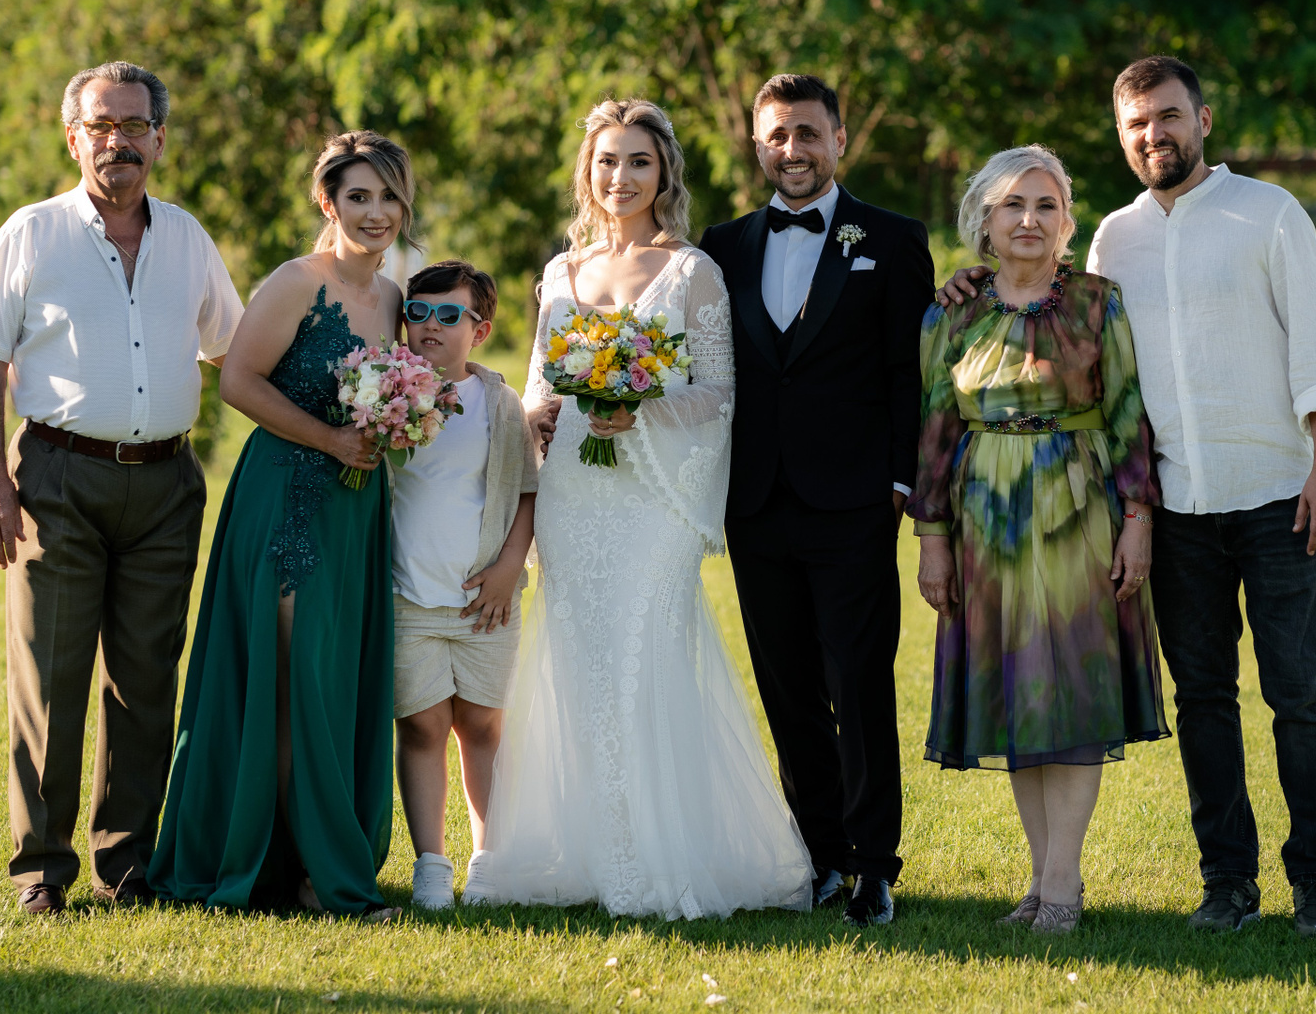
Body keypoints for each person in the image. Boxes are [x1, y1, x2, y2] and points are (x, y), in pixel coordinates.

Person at [939, 56, 1316, 940]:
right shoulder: (1114, 240)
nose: (1153, 134)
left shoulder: (1270, 214)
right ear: (1122, 137)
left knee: (1298, 694)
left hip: (1277, 493)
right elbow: (1063, 324)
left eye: (1168, 116)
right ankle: (1227, 883)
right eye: (1136, 124)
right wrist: (969, 280)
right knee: (1203, 697)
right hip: (1175, 506)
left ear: (1202, 119)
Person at [481, 98, 813, 920]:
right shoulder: (561, 271)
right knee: (581, 666)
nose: (621, 177)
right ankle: (592, 850)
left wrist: (644, 405)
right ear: (587, 172)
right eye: (607, 161)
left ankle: (660, 853)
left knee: (643, 654)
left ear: (663, 173)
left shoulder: (691, 272)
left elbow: (718, 393)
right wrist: (537, 414)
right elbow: (538, 381)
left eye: (638, 161)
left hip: (653, 497)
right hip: (574, 490)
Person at [0, 60, 244, 915]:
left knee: (146, 682)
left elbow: (234, 350)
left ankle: (128, 866)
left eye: (135, 126)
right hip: (55, 481)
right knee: (51, 678)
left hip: (166, 488)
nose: (120, 141)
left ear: (160, 138)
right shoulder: (32, 233)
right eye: (102, 126)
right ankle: (42, 871)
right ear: (73, 137)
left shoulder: (187, 239)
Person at [148, 131, 415, 921]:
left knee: (331, 681)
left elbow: (402, 388)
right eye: (358, 196)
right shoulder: (297, 282)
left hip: (355, 507)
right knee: (292, 680)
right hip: (288, 497)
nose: (375, 213)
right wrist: (331, 439)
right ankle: (305, 874)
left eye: (389, 197)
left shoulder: (392, 298)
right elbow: (237, 379)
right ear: (328, 203)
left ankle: (304, 867)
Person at [908, 145, 1169, 937]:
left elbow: (1127, 415)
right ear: (984, 220)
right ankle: (1039, 877)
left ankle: (1063, 884)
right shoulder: (950, 313)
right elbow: (934, 430)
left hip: (1076, 510)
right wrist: (932, 539)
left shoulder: (1097, 303)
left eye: (1045, 205)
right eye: (1012, 205)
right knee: (1020, 695)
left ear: (1066, 221)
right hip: (984, 517)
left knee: (1073, 692)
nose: (1029, 219)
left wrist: (1138, 521)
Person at [698, 74, 934, 927]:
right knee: (788, 685)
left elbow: (909, 370)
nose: (792, 150)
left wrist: (902, 481)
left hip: (854, 500)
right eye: (776, 136)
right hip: (755, 498)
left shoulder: (894, 238)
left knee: (858, 682)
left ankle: (874, 865)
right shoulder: (721, 246)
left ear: (839, 138)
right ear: (757, 146)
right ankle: (821, 856)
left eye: (807, 133)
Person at [388, 260, 540, 911]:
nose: (431, 325)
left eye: (449, 314)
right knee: (422, 725)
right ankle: (430, 862)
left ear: (479, 330)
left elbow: (526, 492)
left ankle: (488, 857)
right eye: (418, 312)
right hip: (408, 592)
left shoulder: (499, 404)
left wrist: (508, 568)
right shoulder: (385, 392)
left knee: (481, 724)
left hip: (485, 599)